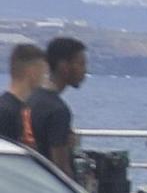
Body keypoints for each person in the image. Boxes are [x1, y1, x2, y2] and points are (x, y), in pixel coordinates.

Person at [27, 35, 88, 174]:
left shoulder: (31, 98)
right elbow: (61, 167)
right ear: (64, 66)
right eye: (81, 64)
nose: (85, 70)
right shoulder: (58, 110)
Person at [0, 43, 45, 147]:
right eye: (43, 72)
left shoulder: (21, 109)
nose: (44, 78)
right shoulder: (5, 112)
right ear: (33, 72)